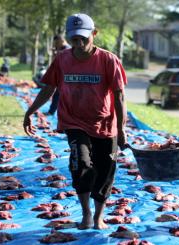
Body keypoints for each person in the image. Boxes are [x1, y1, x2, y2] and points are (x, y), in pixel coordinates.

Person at [23, 13, 127, 230]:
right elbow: (49, 88)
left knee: (106, 169)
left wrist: (122, 128)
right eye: (74, 40)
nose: (79, 44)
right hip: (74, 122)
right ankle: (86, 214)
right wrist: (30, 111)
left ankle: (99, 215)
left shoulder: (109, 60)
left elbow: (119, 95)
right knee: (80, 163)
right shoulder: (62, 59)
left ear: (94, 34)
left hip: (105, 125)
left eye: (83, 38)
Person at [45, 34, 71, 115]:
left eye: (56, 43)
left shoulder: (67, 49)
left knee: (58, 95)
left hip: (68, 76)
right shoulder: (61, 49)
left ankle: (53, 111)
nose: (55, 45)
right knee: (58, 94)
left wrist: (56, 53)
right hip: (63, 76)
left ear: (61, 40)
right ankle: (53, 111)